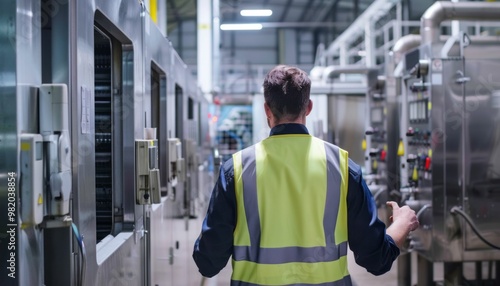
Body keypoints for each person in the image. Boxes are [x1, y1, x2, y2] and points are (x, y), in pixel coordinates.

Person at [193, 65, 419, 286]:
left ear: (267, 110)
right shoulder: (342, 166)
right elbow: (376, 259)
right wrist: (401, 224)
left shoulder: (237, 169)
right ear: (309, 107)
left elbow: (208, 263)